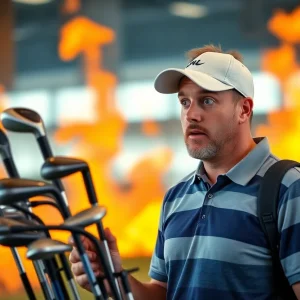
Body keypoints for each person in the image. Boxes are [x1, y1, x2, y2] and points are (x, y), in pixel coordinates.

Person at [68, 44, 300, 299]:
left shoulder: (289, 189)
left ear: (243, 110)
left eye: (207, 100)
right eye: (184, 102)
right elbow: (163, 293)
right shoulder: (176, 197)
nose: (191, 114)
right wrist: (113, 277)